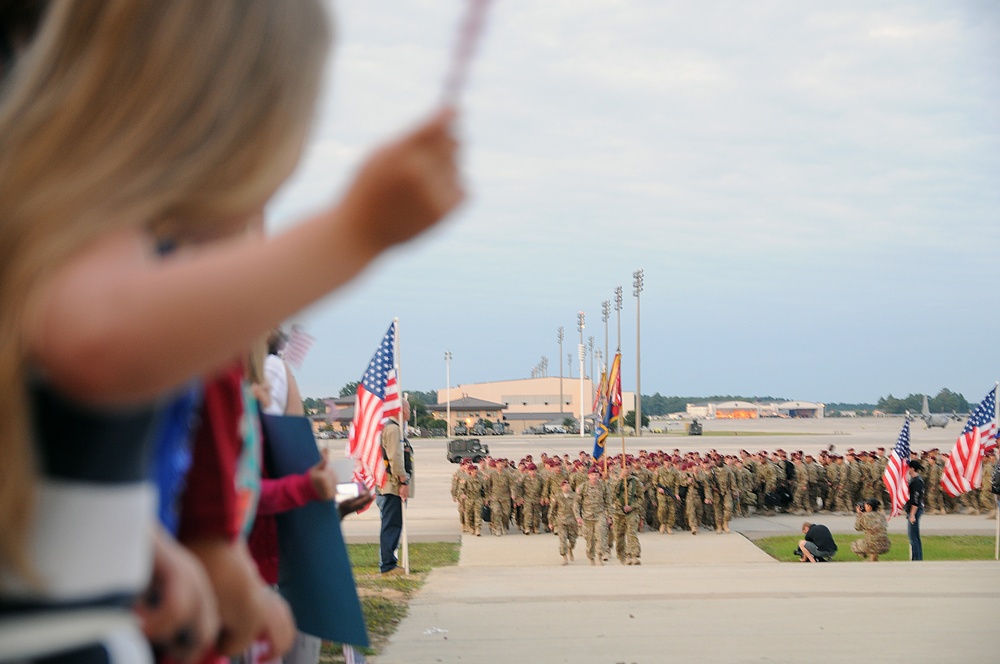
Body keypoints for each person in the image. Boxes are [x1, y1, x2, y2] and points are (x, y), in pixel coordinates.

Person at [0, 1, 462, 660]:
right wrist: (355, 231)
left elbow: (52, 468)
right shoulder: (77, 232)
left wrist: (155, 551)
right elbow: (98, 341)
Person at [376, 399, 412, 575]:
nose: (410, 413)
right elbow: (395, 460)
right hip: (392, 487)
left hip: (393, 486)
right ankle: (388, 566)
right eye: (409, 409)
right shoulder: (393, 430)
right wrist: (403, 482)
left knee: (393, 525)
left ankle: (389, 563)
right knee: (391, 525)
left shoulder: (397, 429)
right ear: (401, 410)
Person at [905, 460, 925, 560]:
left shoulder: (917, 481)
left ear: (912, 468)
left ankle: (916, 558)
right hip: (913, 510)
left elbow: (915, 500)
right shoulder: (914, 480)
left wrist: (912, 515)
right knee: (914, 535)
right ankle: (917, 557)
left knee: (913, 536)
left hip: (915, 511)